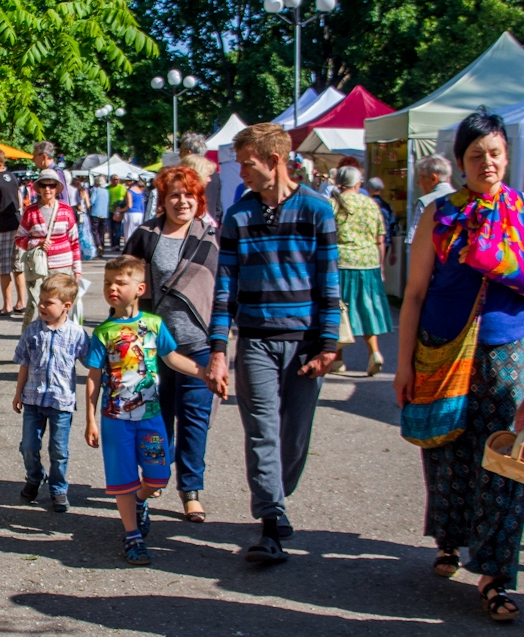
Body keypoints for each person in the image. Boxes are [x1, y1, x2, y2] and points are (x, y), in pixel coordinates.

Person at [394, 110, 524, 622]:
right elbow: (412, 296)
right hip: (442, 347)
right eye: (476, 156)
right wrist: (403, 365)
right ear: (460, 162)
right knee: (448, 449)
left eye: (495, 153)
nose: (488, 163)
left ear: (507, 156)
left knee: (509, 459)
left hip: (507, 350)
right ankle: (451, 539)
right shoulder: (440, 214)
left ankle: (495, 574)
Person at [206, 123, 340, 565]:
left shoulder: (318, 210)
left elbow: (330, 284)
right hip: (257, 342)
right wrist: (220, 351)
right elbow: (224, 286)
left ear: (274, 161)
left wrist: (328, 345)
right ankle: (270, 521)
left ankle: (276, 498)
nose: (241, 173)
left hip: (304, 345)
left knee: (295, 436)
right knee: (260, 431)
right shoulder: (238, 215)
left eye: (247, 164)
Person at [83, 255, 209, 565]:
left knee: (158, 477)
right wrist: (89, 419)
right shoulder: (103, 333)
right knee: (123, 479)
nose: (112, 288)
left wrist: (205, 373)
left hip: (151, 419)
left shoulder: (154, 325)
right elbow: (94, 378)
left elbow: (172, 359)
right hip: (115, 421)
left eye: (120, 282)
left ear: (140, 288)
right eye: (107, 283)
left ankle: (140, 502)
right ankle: (133, 537)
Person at [123, 166, 219, 523]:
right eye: (174, 195)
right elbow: (125, 284)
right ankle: (154, 475)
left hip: (199, 343)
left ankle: (191, 490)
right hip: (153, 346)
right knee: (156, 419)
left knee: (195, 419)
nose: (182, 201)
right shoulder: (146, 235)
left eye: (189, 194)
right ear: (162, 200)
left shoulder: (210, 237)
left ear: (199, 199)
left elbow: (222, 292)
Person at [12, 274, 89, 513]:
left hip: (61, 402)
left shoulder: (77, 334)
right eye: (41, 301)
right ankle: (35, 477)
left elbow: (92, 363)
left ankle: (58, 489)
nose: (42, 306)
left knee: (59, 450)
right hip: (33, 399)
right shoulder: (33, 330)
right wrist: (18, 394)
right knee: (28, 446)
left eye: (48, 302)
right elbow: (23, 362)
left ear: (67, 305)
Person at [329, 167, 393, 376]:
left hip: (343, 262)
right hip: (368, 261)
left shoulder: (333, 203)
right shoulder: (371, 204)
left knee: (341, 309)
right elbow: (380, 238)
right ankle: (374, 352)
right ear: (358, 183)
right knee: (367, 308)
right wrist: (381, 265)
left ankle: (338, 358)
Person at [14, 168, 82, 328]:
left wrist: (77, 270)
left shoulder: (66, 211)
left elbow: (75, 242)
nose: (47, 189)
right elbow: (19, 238)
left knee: (60, 306)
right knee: (35, 304)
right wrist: (36, 243)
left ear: (57, 188)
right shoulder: (31, 212)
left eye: (51, 185)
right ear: (38, 188)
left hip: (63, 267)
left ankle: (60, 338)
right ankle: (29, 341)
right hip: (38, 269)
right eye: (43, 186)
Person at [0, 148, 26, 316]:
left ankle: (7, 305)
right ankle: (21, 302)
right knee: (18, 266)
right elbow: (20, 199)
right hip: (17, 222)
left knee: (3, 267)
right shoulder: (13, 177)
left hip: (2, 225)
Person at [404, 154, 454, 258]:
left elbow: (414, 240)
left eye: (421, 177)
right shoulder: (462, 199)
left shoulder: (425, 202)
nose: (418, 183)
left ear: (433, 178)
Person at [365, 177, 398, 266]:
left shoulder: (366, 205)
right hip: (385, 243)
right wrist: (394, 251)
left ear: (369, 189)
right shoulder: (388, 207)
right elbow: (393, 229)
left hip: (368, 243)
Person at [32, 141, 70, 206]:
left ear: (44, 156)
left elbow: (63, 200)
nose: (33, 159)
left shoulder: (56, 173)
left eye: (35, 156)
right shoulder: (45, 172)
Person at [89, 176, 110, 257]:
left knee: (95, 231)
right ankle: (102, 245)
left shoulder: (95, 190)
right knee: (102, 231)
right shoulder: (106, 191)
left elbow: (92, 201)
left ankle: (98, 245)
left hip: (95, 212)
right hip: (104, 213)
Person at [107, 175, 127, 249]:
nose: (117, 181)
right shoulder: (107, 188)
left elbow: (126, 198)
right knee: (111, 228)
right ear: (111, 180)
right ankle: (113, 244)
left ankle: (117, 244)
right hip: (110, 211)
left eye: (118, 179)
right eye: (115, 179)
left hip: (119, 211)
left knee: (117, 228)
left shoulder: (122, 188)